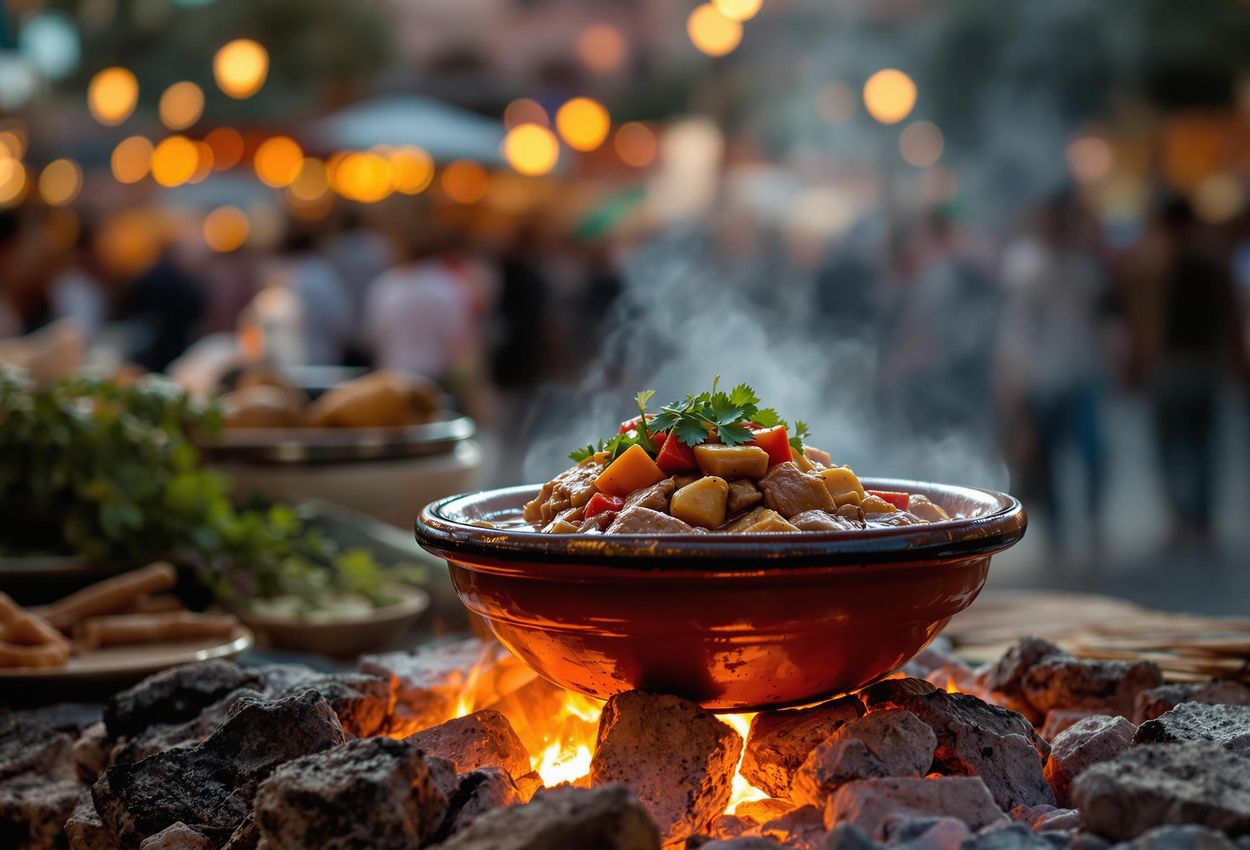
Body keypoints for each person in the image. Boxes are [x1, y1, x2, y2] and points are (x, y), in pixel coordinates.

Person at [999, 194, 1111, 551]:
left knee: (1094, 453)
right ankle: (1057, 529)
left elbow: (1099, 315)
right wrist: (1012, 376)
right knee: (1045, 458)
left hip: (1081, 371)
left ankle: (1093, 517)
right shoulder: (1025, 264)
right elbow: (1016, 328)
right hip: (1041, 376)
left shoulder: (1083, 265)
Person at [1134, 197, 1244, 548]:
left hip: (1175, 365)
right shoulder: (1210, 259)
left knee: (1175, 444)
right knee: (1200, 444)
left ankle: (1184, 514)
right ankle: (1196, 515)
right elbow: (1232, 315)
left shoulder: (1156, 261)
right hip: (1197, 363)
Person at [363, 231, 472, 385]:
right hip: (434, 374)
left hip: (395, 372)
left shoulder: (386, 286)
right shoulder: (447, 286)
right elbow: (457, 337)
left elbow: (374, 335)